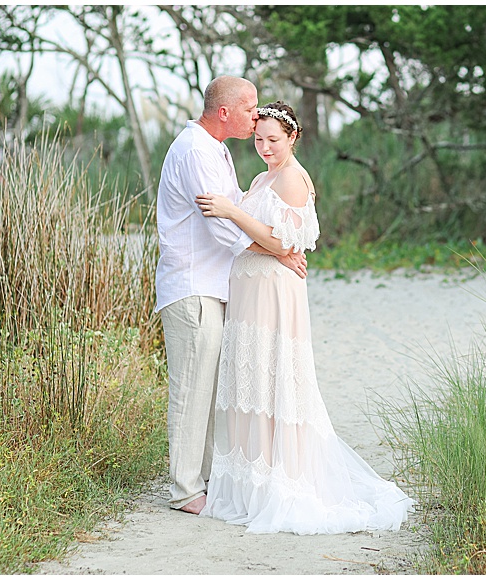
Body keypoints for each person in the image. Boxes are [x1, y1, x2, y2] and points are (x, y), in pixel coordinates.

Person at [195, 101, 413, 534]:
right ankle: (246, 483)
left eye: (273, 140)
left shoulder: (293, 179)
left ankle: (282, 481)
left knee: (274, 378)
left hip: (274, 293)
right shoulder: (261, 177)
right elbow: (264, 242)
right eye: (258, 139)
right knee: (249, 382)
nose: (264, 148)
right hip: (251, 290)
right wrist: (260, 241)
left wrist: (234, 213)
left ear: (293, 138)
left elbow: (280, 241)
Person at [155, 78, 307, 515]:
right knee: (191, 388)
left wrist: (278, 245)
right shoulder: (196, 151)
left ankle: (199, 479)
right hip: (192, 286)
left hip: (212, 285)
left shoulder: (215, 148)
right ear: (225, 112)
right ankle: (185, 489)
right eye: (250, 108)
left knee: (207, 388)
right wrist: (279, 251)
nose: (256, 116)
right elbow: (223, 228)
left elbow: (237, 207)